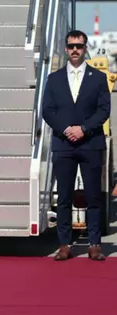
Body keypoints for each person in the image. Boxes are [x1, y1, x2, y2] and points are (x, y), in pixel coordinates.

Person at [42, 30, 111, 261]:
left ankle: (94, 244)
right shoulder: (54, 79)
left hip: (91, 143)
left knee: (93, 196)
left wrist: (83, 129)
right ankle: (64, 244)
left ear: (85, 48)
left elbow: (104, 110)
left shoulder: (99, 78)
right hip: (64, 145)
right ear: (65, 48)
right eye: (71, 45)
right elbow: (47, 111)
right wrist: (66, 129)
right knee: (63, 197)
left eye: (79, 46)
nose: (75, 50)